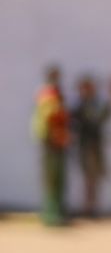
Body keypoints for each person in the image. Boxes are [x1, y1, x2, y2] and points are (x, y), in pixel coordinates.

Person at [71, 74, 111, 220]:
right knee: (89, 178)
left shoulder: (92, 105)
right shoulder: (81, 106)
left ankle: (91, 208)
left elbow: (104, 116)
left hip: (94, 146)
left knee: (94, 178)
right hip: (86, 146)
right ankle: (88, 208)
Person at [30, 65, 70, 227]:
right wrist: (56, 135)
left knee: (58, 180)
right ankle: (51, 215)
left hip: (57, 143)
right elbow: (50, 118)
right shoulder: (48, 94)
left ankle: (56, 213)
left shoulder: (55, 94)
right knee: (51, 180)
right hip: (50, 143)